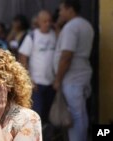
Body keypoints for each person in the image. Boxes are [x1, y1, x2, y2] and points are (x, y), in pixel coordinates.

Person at [53, 1, 94, 141]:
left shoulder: (71, 27)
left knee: (75, 115)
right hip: (81, 74)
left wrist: (58, 79)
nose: (59, 13)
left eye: (61, 10)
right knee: (80, 114)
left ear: (70, 10)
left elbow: (66, 56)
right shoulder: (86, 24)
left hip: (72, 78)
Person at [18, 10, 56, 124]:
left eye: (49, 21)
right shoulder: (32, 36)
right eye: (44, 21)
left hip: (51, 83)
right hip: (37, 84)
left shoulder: (55, 35)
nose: (47, 23)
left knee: (48, 115)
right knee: (36, 114)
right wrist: (29, 79)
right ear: (38, 22)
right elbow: (23, 57)